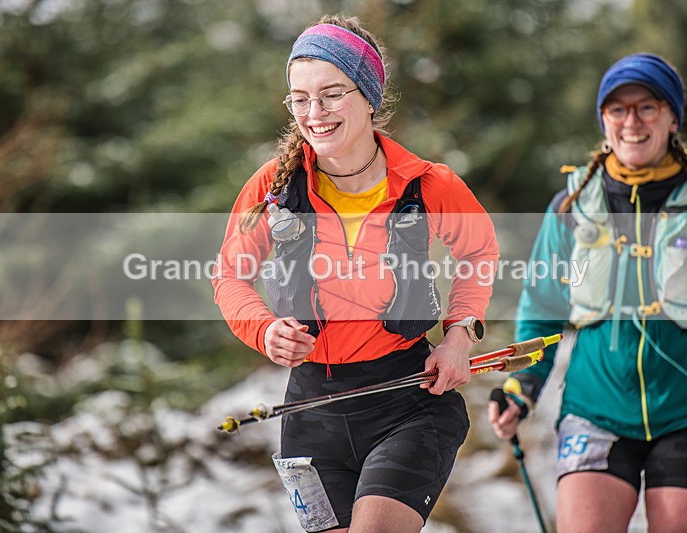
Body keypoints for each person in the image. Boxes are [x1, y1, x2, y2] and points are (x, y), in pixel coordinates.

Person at [213, 14, 498, 533]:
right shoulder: (273, 187)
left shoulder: (428, 184)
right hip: (309, 413)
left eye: (331, 94)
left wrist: (459, 336)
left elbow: (479, 254)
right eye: (299, 98)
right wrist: (263, 328)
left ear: (368, 96)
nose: (313, 113)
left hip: (409, 400)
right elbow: (230, 276)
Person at [488, 53, 687, 532]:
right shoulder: (570, 207)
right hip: (595, 408)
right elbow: (541, 309)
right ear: (604, 120)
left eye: (647, 107)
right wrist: (521, 386)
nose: (631, 121)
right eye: (618, 109)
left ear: (673, 117)